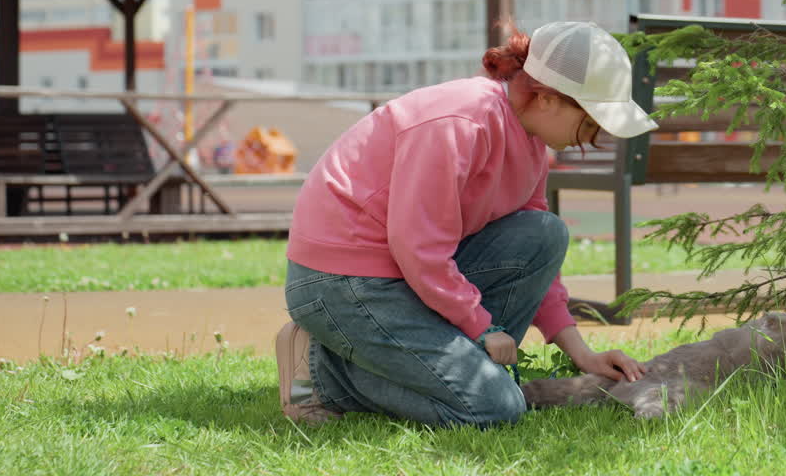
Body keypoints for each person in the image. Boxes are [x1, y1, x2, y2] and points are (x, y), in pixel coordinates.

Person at [276, 21, 659, 428]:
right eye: (590, 122)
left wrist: (582, 353)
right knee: (496, 408)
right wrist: (481, 325)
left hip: (404, 274)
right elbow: (418, 245)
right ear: (548, 98)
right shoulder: (461, 121)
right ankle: (324, 369)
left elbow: (532, 249)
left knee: (545, 232)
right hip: (344, 281)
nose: (592, 137)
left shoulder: (531, 143)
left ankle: (440, 368)